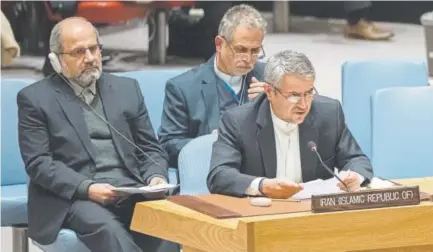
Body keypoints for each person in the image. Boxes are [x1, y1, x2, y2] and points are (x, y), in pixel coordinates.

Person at [18, 17, 177, 252]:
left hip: (130, 189)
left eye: (94, 48)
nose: (90, 58)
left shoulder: (126, 89)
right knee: (109, 230)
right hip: (74, 196)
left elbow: (150, 147)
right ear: (56, 60)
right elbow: (39, 163)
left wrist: (155, 178)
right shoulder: (35, 99)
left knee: (168, 226)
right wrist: (87, 188)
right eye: (78, 52)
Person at [207, 50, 373, 198]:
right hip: (262, 215)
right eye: (294, 95)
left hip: (313, 215)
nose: (303, 104)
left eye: (308, 93)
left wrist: (354, 177)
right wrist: (262, 186)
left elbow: (356, 159)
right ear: (270, 92)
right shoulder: (238, 121)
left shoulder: (329, 113)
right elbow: (219, 175)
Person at [159, 4, 268, 167]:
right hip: (209, 171)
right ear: (219, 44)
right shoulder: (183, 87)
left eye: (255, 51)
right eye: (241, 49)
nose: (248, 58)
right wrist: (212, 144)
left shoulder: (270, 78)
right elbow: (168, 145)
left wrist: (272, 107)